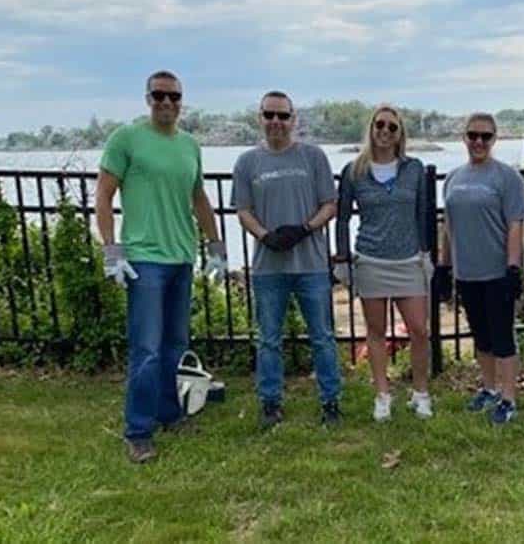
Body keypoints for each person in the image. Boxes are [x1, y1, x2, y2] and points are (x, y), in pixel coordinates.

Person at [96, 70, 227, 464]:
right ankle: (138, 431)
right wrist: (112, 250)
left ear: (182, 100)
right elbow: (103, 196)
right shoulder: (127, 139)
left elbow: (199, 197)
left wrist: (215, 244)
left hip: (181, 258)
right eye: (159, 96)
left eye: (173, 96)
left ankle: (170, 414)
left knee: (175, 346)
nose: (166, 103)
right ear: (148, 98)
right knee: (147, 350)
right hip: (145, 260)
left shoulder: (189, 145)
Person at [231, 91, 341, 430]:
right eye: (270, 115)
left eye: (283, 116)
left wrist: (305, 229)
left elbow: (330, 204)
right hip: (268, 267)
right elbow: (243, 210)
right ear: (260, 118)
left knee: (322, 336)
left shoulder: (313, 157)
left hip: (311, 265)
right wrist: (265, 235)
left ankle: (331, 400)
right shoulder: (247, 163)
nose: (276, 122)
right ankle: (270, 402)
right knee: (268, 339)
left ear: (294, 119)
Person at [335, 104, 433, 422]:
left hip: (408, 260)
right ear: (371, 128)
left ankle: (420, 393)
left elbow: (423, 213)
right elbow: (342, 218)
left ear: (400, 133)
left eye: (392, 127)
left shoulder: (413, 169)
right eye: (380, 125)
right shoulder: (355, 171)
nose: (385, 132)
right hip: (371, 259)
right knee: (375, 331)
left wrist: (427, 253)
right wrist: (342, 259)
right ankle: (382, 395)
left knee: (419, 330)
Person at [438, 112, 524, 424]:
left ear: (494, 139)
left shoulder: (507, 178)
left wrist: (513, 268)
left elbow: (515, 224)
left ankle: (508, 397)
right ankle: (488, 389)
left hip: (496, 271)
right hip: (466, 272)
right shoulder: (453, 178)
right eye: (473, 135)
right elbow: (448, 225)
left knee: (503, 338)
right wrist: (444, 266)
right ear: (464, 137)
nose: (478, 142)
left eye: (485, 137)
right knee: (481, 338)